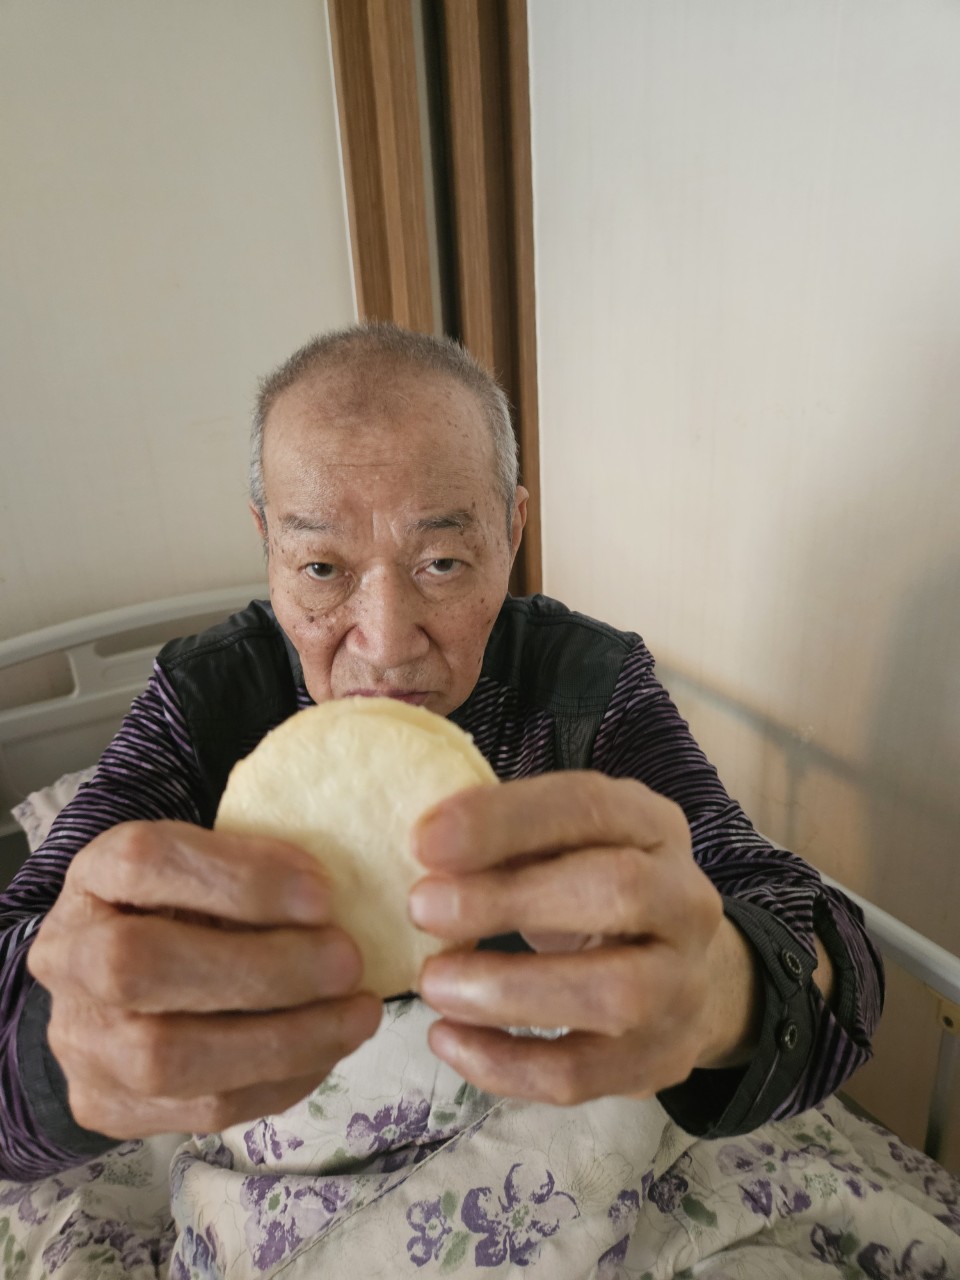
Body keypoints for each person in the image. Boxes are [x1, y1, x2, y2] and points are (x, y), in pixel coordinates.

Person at [0, 323, 882, 1183]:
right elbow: (25, 959)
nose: (385, 646)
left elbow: (829, 958)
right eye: (322, 569)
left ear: (511, 531)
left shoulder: (587, 691)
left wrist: (724, 994)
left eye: (443, 563)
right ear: (268, 546)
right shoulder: (205, 704)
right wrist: (63, 1046)